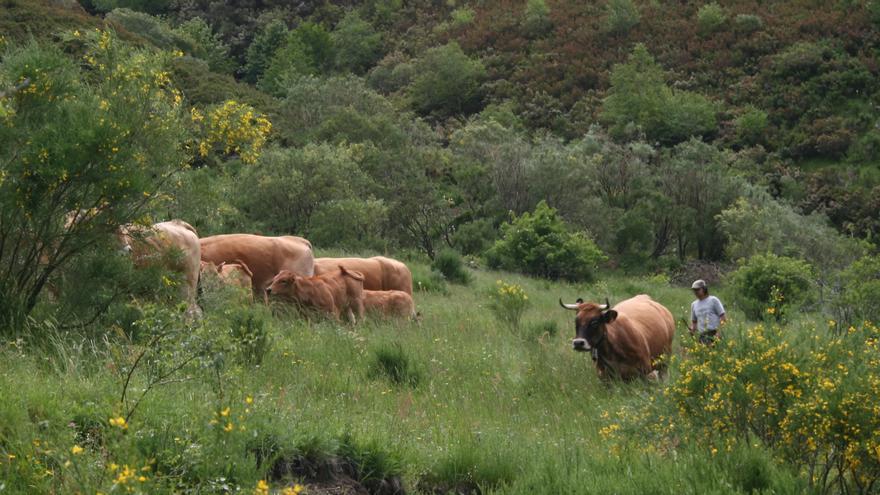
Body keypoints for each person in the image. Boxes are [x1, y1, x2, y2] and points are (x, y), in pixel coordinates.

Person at [689, 279, 726, 344]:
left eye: (697, 289)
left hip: (714, 334)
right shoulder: (694, 305)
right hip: (702, 336)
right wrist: (692, 330)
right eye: (694, 290)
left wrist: (719, 332)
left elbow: (723, 317)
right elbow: (694, 322)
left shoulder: (713, 300)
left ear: (704, 289)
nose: (695, 292)